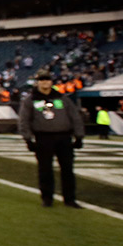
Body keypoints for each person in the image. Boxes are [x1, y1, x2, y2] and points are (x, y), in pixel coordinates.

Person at [18, 71, 85, 208]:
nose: (45, 82)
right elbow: (24, 120)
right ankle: (47, 198)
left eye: (47, 80)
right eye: (42, 80)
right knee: (45, 170)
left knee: (67, 169)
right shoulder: (30, 100)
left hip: (64, 136)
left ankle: (70, 199)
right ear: (37, 82)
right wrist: (28, 139)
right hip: (43, 137)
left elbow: (75, 117)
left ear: (51, 82)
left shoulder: (63, 99)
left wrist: (79, 136)